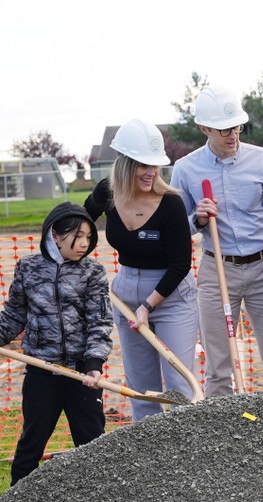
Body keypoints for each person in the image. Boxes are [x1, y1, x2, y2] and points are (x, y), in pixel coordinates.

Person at [171, 85, 263, 396]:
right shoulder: (186, 169)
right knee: (218, 363)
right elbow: (177, 229)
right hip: (217, 270)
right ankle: (223, 433)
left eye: (236, 126)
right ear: (204, 128)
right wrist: (197, 219)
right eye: (224, 129)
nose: (232, 134)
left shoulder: (262, 160)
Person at [85, 119, 198, 421]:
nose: (151, 172)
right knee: (141, 388)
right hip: (126, 296)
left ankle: (188, 454)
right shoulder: (107, 193)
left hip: (170, 296)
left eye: (155, 165)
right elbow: (81, 221)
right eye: (143, 165)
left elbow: (180, 265)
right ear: (124, 163)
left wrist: (148, 306)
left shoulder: (170, 204)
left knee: (179, 386)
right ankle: (149, 460)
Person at [0, 202, 113, 485]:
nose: (85, 244)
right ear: (55, 235)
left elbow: (99, 321)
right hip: (41, 374)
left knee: (95, 449)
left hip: (81, 376)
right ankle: (17, 493)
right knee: (30, 445)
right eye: (78, 236)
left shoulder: (92, 272)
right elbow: (14, 314)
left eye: (89, 237)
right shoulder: (28, 267)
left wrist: (93, 365)